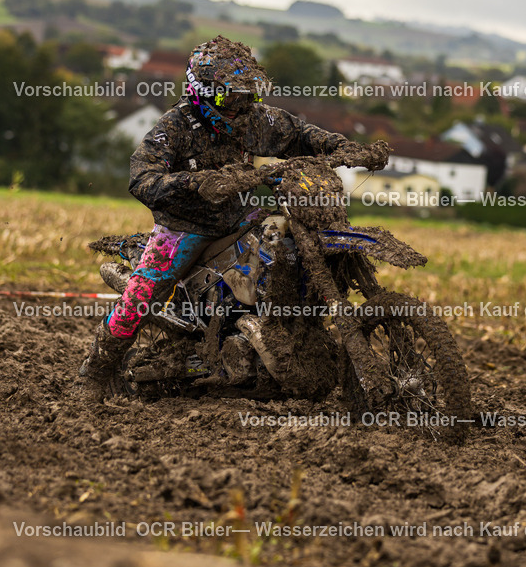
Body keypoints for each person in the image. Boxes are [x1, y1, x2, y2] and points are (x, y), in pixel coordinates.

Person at [76, 35, 389, 399]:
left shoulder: (253, 119)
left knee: (288, 245)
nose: (240, 107)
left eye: (248, 95)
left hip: (242, 214)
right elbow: (142, 177)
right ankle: (94, 372)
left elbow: (300, 134)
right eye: (229, 97)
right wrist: (195, 184)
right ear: (202, 93)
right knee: (145, 289)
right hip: (184, 225)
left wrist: (344, 147)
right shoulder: (175, 125)